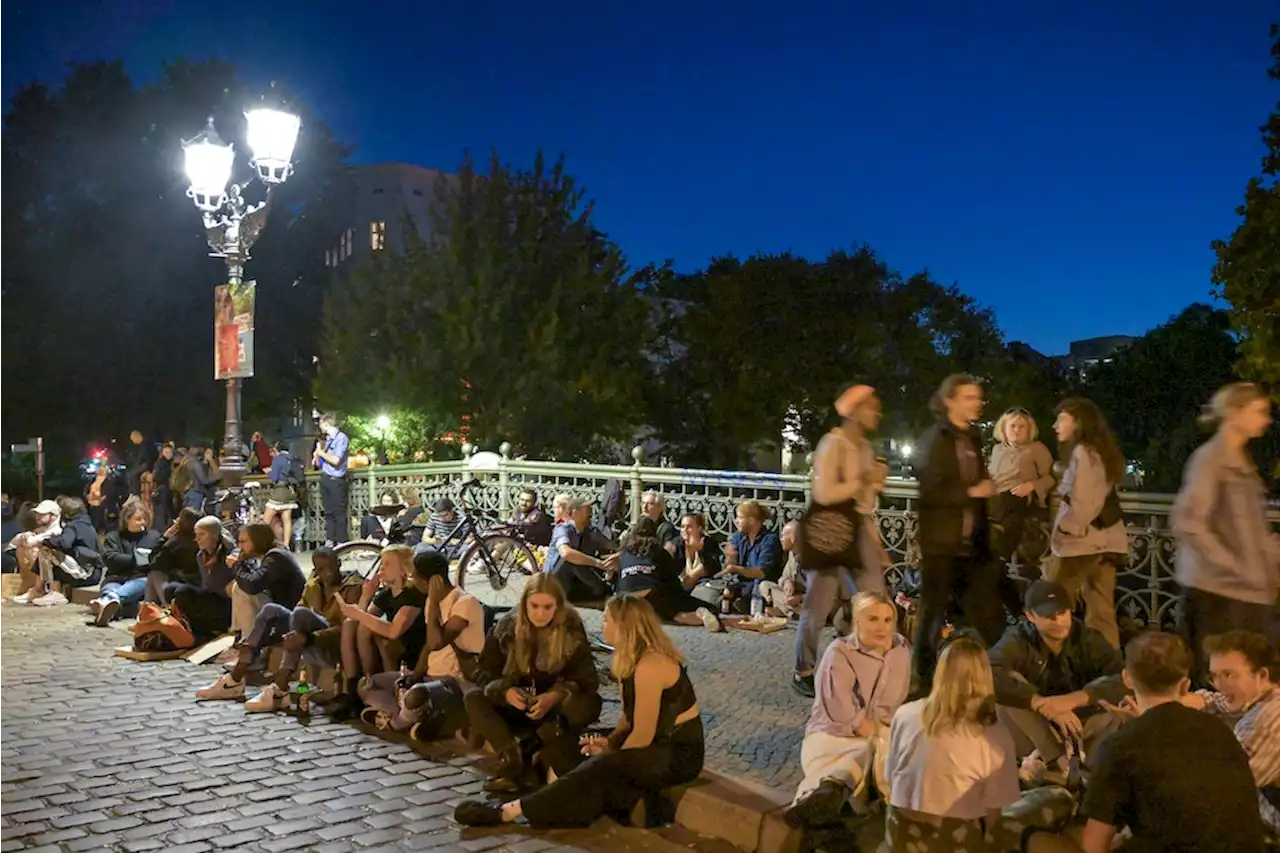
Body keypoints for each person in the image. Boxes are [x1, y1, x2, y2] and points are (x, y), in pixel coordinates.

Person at [454, 594, 701, 828]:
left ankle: (510, 811)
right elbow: (627, 720)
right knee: (565, 749)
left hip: (676, 751)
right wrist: (609, 741)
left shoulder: (651, 665)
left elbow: (643, 736)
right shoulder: (629, 661)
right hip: (650, 743)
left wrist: (608, 756)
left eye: (607, 620)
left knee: (597, 767)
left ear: (625, 626)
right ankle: (621, 805)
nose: (602, 625)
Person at [1027, 632, 1264, 853]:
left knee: (1035, 839)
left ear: (1127, 679)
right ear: (1185, 685)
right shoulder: (1220, 731)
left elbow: (1093, 846)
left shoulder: (1121, 746)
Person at [1173, 382, 1280, 680]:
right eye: (1260, 411)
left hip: (1244, 592)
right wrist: (1233, 565)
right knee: (1223, 681)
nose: (1267, 419)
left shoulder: (1240, 461)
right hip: (1219, 594)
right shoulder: (1211, 459)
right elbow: (1188, 522)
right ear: (1235, 412)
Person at [794, 384, 892, 697]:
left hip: (855, 528)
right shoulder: (832, 444)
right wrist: (864, 479)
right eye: (871, 407)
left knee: (875, 595)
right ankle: (804, 669)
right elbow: (824, 494)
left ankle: (872, 662)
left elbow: (863, 507)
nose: (877, 412)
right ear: (854, 411)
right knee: (818, 603)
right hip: (827, 529)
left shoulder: (864, 448)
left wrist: (876, 545)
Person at [463, 573, 602, 791]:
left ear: (557, 606)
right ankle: (511, 757)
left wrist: (556, 695)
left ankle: (532, 747)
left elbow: (586, 678)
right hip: (516, 704)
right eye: (534, 606)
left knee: (589, 703)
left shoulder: (571, 629)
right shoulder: (506, 627)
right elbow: (483, 672)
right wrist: (505, 691)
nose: (540, 613)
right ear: (524, 603)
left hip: (552, 711)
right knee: (473, 698)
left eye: (548, 607)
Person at [883, 635, 1020, 852]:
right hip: (953, 837)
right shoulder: (993, 736)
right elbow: (995, 812)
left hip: (901, 832)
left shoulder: (905, 714)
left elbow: (890, 777)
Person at [786, 591, 910, 829]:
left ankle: (822, 794)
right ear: (858, 621)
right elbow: (845, 715)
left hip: (873, 738)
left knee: (863, 757)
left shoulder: (901, 651)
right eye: (873, 619)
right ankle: (819, 798)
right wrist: (884, 738)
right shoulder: (840, 653)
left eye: (887, 620)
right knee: (866, 754)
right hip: (833, 736)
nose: (882, 627)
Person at [989, 580, 1126, 785]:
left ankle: (1069, 773)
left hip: (1081, 726)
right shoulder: (1018, 639)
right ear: (1030, 616)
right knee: (1008, 690)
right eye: (1049, 616)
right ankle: (1058, 763)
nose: (1059, 621)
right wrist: (1040, 704)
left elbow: (1122, 678)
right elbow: (989, 671)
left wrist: (1075, 699)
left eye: (1063, 613)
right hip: (1037, 731)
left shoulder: (1087, 639)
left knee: (1118, 710)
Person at [912, 374, 1001, 690]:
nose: (977, 403)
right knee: (933, 611)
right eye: (969, 397)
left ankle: (970, 674)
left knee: (983, 612)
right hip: (941, 542)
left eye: (978, 398)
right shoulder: (935, 439)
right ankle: (921, 680)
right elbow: (931, 492)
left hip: (972, 541)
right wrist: (974, 492)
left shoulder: (972, 437)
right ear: (950, 400)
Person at [196, 546, 364, 710]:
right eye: (320, 569)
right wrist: (266, 640)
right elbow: (297, 618)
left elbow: (347, 629)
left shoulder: (353, 587)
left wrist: (310, 638)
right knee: (271, 610)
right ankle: (235, 679)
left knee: (300, 613)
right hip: (307, 640)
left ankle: (280, 687)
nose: (326, 573)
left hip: (332, 647)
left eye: (330, 567)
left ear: (339, 564)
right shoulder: (314, 586)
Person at [358, 549, 486, 740]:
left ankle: (395, 723)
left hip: (454, 680)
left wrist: (434, 602)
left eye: (414, 577)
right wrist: (413, 676)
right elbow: (428, 647)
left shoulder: (464, 603)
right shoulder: (430, 602)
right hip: (428, 677)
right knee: (367, 685)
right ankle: (406, 716)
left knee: (415, 695)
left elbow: (436, 642)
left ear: (429, 582)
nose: (412, 581)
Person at [1178, 631, 1280, 838]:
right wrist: (1177, 702)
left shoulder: (1267, 720)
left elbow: (1227, 787)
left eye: (1228, 675)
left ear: (1262, 675)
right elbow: (1221, 701)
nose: (1218, 684)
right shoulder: (1264, 696)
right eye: (1214, 676)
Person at [1047, 398, 1127, 650]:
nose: (1055, 425)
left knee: (1050, 604)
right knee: (1101, 611)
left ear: (1078, 422)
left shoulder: (1084, 452)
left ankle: (1053, 661)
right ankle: (1106, 668)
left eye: (1061, 419)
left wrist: (1066, 528)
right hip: (1105, 542)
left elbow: (1085, 501)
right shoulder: (1097, 452)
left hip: (1082, 544)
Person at [329, 545, 427, 717]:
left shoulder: (413, 595)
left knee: (366, 625)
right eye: (382, 563)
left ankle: (368, 683)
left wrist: (358, 613)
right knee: (349, 624)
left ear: (404, 569)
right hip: (390, 645)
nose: (382, 568)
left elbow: (394, 631)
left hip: (410, 650)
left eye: (388, 564)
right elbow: (357, 619)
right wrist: (366, 596)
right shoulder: (386, 594)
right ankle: (353, 688)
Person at [987, 407, 1055, 611]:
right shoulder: (998, 450)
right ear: (1004, 429)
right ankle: (1015, 607)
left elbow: (1051, 477)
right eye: (1013, 426)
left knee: (995, 559)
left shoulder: (1036, 449)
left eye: (1021, 427)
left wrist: (1032, 486)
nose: (1017, 430)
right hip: (995, 501)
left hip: (1017, 502)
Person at [615, 517, 722, 632]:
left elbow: (619, 580)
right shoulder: (659, 551)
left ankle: (665, 615)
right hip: (653, 596)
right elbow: (672, 583)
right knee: (696, 608)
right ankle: (688, 615)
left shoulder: (624, 553)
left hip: (625, 600)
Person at [161, 515, 236, 642]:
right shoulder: (201, 556)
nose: (197, 539)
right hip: (211, 595)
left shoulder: (230, 554)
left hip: (227, 602)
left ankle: (206, 630)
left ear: (214, 535)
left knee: (182, 593)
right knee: (170, 589)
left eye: (202, 534)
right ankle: (189, 627)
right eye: (196, 534)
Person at [228, 523, 306, 639]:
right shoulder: (267, 555)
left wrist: (236, 565)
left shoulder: (276, 556)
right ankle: (243, 634)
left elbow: (253, 585)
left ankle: (250, 639)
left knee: (241, 589)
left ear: (257, 540)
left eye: (243, 542)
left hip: (289, 611)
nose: (240, 546)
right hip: (276, 604)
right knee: (238, 585)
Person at [92, 496, 162, 625]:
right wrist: (133, 560)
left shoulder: (153, 536)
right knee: (109, 587)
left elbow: (158, 558)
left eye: (145, 519)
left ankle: (107, 601)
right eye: (138, 519)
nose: (143, 522)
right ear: (127, 519)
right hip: (116, 577)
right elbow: (109, 557)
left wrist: (146, 560)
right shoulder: (113, 537)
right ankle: (111, 605)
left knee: (140, 583)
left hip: (139, 579)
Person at [715, 499, 783, 613]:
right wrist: (730, 557)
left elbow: (761, 573)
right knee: (721, 587)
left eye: (740, 518)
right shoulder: (738, 537)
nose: (736, 521)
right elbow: (730, 568)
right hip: (741, 583)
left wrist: (735, 568)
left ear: (751, 520)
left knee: (754, 588)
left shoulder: (770, 540)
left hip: (759, 584)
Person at [545, 497, 617, 602]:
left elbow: (612, 545)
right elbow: (566, 553)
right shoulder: (562, 529)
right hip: (555, 583)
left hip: (575, 582)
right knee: (573, 559)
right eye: (587, 510)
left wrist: (616, 556)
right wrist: (598, 563)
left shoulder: (591, 531)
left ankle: (600, 591)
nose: (591, 513)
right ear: (575, 513)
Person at [313, 413, 350, 546]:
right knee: (328, 512)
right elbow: (322, 463)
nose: (319, 427)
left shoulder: (341, 438)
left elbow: (335, 460)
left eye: (320, 425)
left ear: (325, 424)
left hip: (336, 479)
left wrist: (320, 452)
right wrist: (317, 456)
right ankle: (330, 540)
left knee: (338, 512)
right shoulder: (328, 439)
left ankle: (342, 542)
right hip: (326, 477)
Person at [263, 441, 300, 552]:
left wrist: (268, 472)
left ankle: (262, 544)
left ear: (276, 449)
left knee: (266, 520)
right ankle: (286, 545)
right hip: (290, 492)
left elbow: (274, 477)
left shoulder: (278, 459)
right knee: (286, 520)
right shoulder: (292, 458)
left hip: (279, 492)